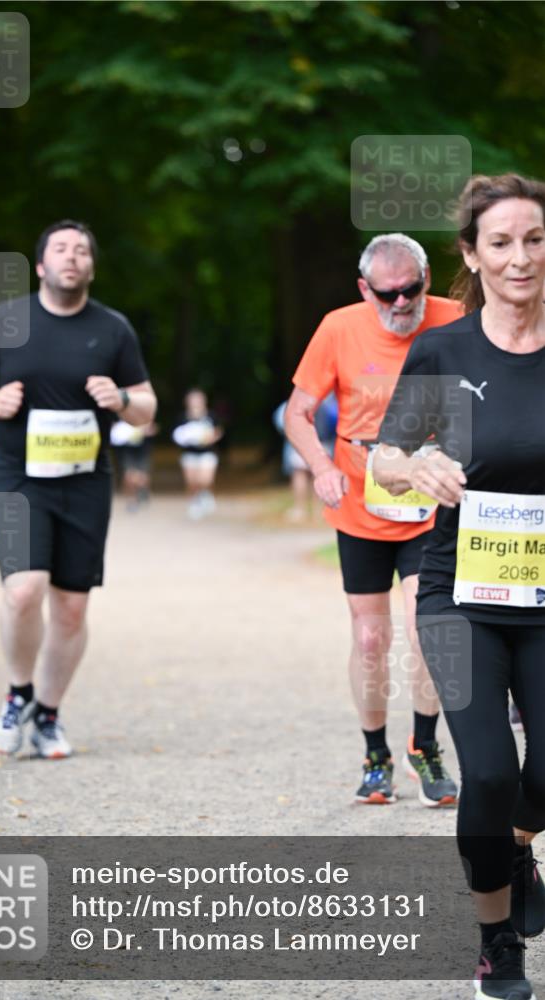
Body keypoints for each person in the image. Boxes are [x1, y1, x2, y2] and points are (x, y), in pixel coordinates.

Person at [373, 174, 545, 999]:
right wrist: (417, 465)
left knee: (538, 777)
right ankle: (495, 942)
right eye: (500, 242)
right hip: (457, 591)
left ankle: (515, 843)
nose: (520, 257)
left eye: (534, 239)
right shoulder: (444, 351)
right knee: (488, 771)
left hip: (543, 592)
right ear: (471, 257)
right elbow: (383, 457)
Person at [0, 220, 157, 759]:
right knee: (23, 591)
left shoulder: (113, 329)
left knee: (70, 608)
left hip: (84, 481)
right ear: (41, 264)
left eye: (82, 250)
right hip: (17, 478)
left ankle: (47, 714)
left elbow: (146, 405)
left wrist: (121, 400)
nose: (72, 256)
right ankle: (17, 694)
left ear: (91, 267)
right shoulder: (8, 319)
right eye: (61, 249)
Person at [285, 233, 462, 807]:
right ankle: (375, 755)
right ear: (365, 289)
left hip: (430, 506)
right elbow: (298, 412)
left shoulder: (458, 318)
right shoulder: (338, 328)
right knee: (369, 638)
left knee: (427, 627)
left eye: (412, 289)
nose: (402, 303)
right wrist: (320, 467)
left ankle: (424, 747)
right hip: (360, 507)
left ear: (427, 279)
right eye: (388, 294)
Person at [272, 396, 338, 522]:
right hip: (323, 444)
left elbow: (281, 420)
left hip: (300, 443)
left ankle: (300, 508)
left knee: (300, 475)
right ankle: (319, 510)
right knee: (319, 477)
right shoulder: (328, 404)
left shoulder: (296, 401)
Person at [172, 388, 224, 520]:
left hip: (207, 453)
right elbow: (177, 434)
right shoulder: (183, 417)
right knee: (192, 481)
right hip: (189, 453)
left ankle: (206, 495)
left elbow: (218, 431)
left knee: (205, 479)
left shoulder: (210, 416)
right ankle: (194, 502)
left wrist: (210, 438)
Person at [110, 418, 158, 511]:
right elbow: (114, 439)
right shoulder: (121, 423)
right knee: (129, 477)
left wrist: (148, 431)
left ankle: (143, 492)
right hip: (127, 453)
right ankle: (132, 500)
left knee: (143, 478)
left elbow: (152, 431)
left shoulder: (144, 420)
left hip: (142, 453)